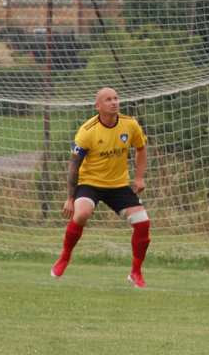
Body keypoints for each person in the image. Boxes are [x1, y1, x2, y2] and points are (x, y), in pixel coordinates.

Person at [50, 87, 150, 288]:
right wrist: (70, 198)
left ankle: (136, 272)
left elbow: (141, 148)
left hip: (118, 185)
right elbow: (74, 165)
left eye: (116, 98)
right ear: (98, 106)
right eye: (108, 99)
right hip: (90, 183)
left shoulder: (130, 125)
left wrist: (139, 178)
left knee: (143, 223)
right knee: (82, 213)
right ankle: (64, 257)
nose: (114, 102)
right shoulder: (87, 131)